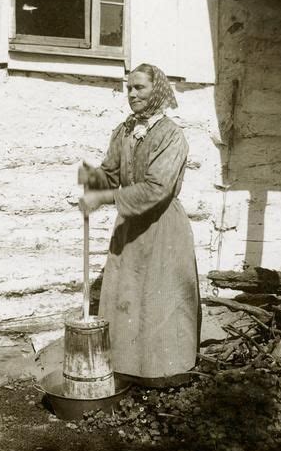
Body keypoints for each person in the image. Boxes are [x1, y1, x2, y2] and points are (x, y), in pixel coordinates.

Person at [78, 63, 200, 386]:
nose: (131, 94)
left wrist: (104, 199)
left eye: (139, 88)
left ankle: (164, 379)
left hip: (162, 229)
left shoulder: (172, 136)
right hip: (131, 229)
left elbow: (156, 189)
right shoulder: (125, 131)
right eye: (129, 88)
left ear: (156, 90)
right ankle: (127, 372)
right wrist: (92, 177)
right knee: (128, 299)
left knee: (159, 303)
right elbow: (112, 173)